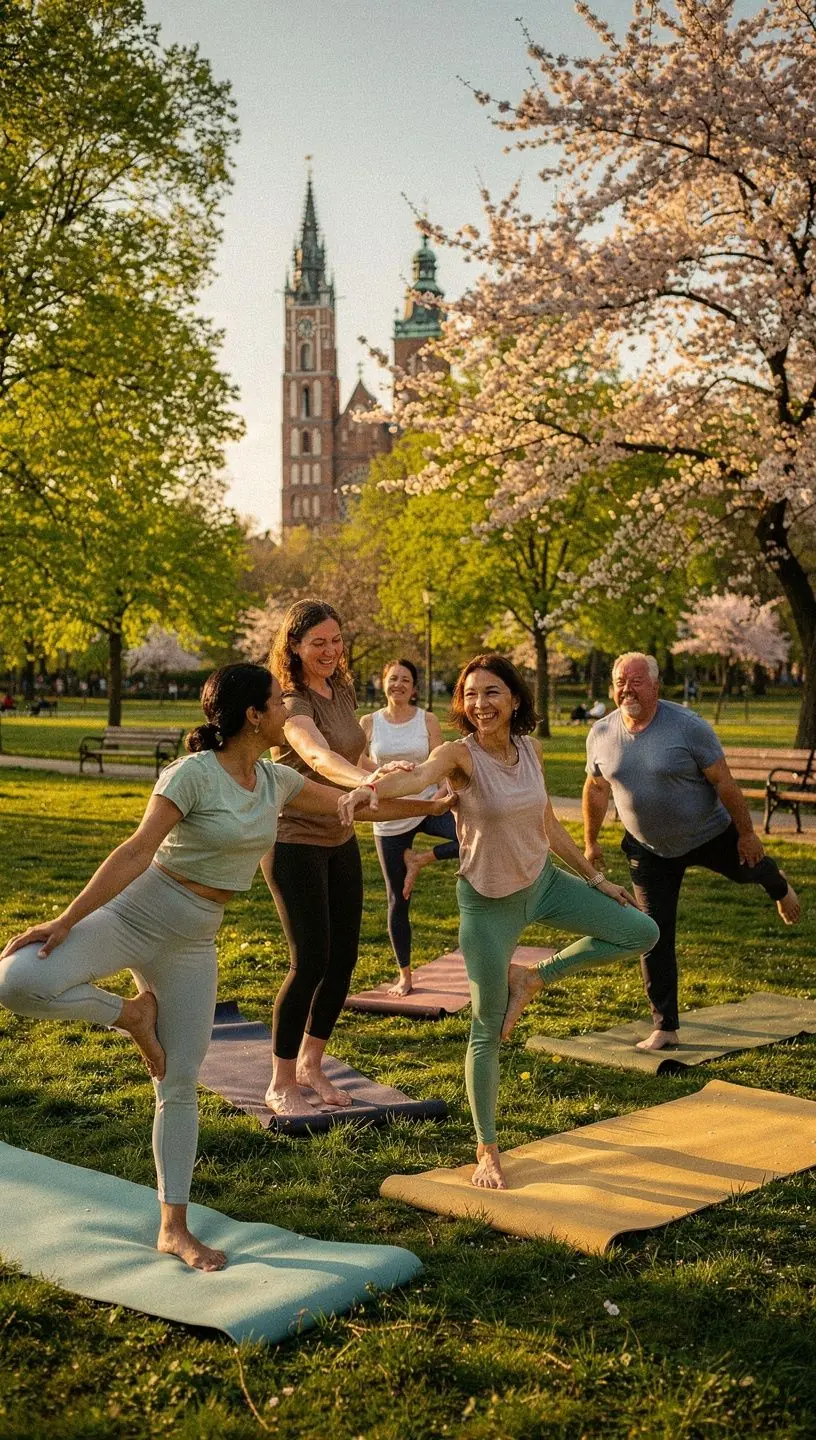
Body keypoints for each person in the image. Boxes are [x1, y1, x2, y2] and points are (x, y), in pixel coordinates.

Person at [0, 663, 372, 1272]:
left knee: (178, 1082)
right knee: (17, 981)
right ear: (254, 715)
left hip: (193, 942)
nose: (288, 708)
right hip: (135, 915)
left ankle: (174, 1227)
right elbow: (136, 850)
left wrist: (433, 796)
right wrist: (66, 920)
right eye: (280, 701)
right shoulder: (192, 775)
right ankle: (131, 1015)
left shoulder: (275, 781)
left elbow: (351, 807)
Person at [341, 654, 659, 1191]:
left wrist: (597, 879)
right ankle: (487, 1148)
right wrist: (370, 789)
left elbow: (548, 824)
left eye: (491, 693)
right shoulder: (458, 755)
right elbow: (416, 777)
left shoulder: (531, 749)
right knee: (486, 1030)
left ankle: (533, 977)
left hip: (545, 885)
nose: (479, 704)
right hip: (487, 903)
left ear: (514, 698)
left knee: (640, 932)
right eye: (470, 695)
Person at [265, 600, 450, 1116]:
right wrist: (366, 779)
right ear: (295, 646)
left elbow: (355, 754)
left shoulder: (341, 691)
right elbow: (318, 755)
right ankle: (281, 1080)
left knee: (344, 956)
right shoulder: (291, 699)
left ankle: (311, 1062)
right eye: (316, 642)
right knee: (311, 959)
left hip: (339, 835)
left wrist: (385, 769)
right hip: (294, 840)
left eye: (335, 640)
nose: (328, 651)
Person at [582, 652, 800, 1053]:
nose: (626, 689)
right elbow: (596, 789)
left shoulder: (688, 727)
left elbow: (725, 783)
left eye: (636, 681)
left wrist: (747, 834)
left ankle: (778, 885)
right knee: (653, 933)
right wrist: (591, 841)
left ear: (656, 686)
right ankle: (665, 1027)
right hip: (648, 850)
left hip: (709, 833)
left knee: (750, 870)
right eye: (619, 682)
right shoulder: (600, 732)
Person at [360, 659, 459, 997]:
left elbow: (438, 757)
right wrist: (386, 773)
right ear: (382, 682)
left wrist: (446, 788)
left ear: (414, 688)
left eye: (405, 680)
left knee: (475, 838)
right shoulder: (369, 722)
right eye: (392, 678)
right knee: (398, 898)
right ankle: (405, 975)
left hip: (427, 805)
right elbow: (360, 764)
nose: (398, 684)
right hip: (389, 813)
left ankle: (422, 859)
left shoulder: (427, 719)